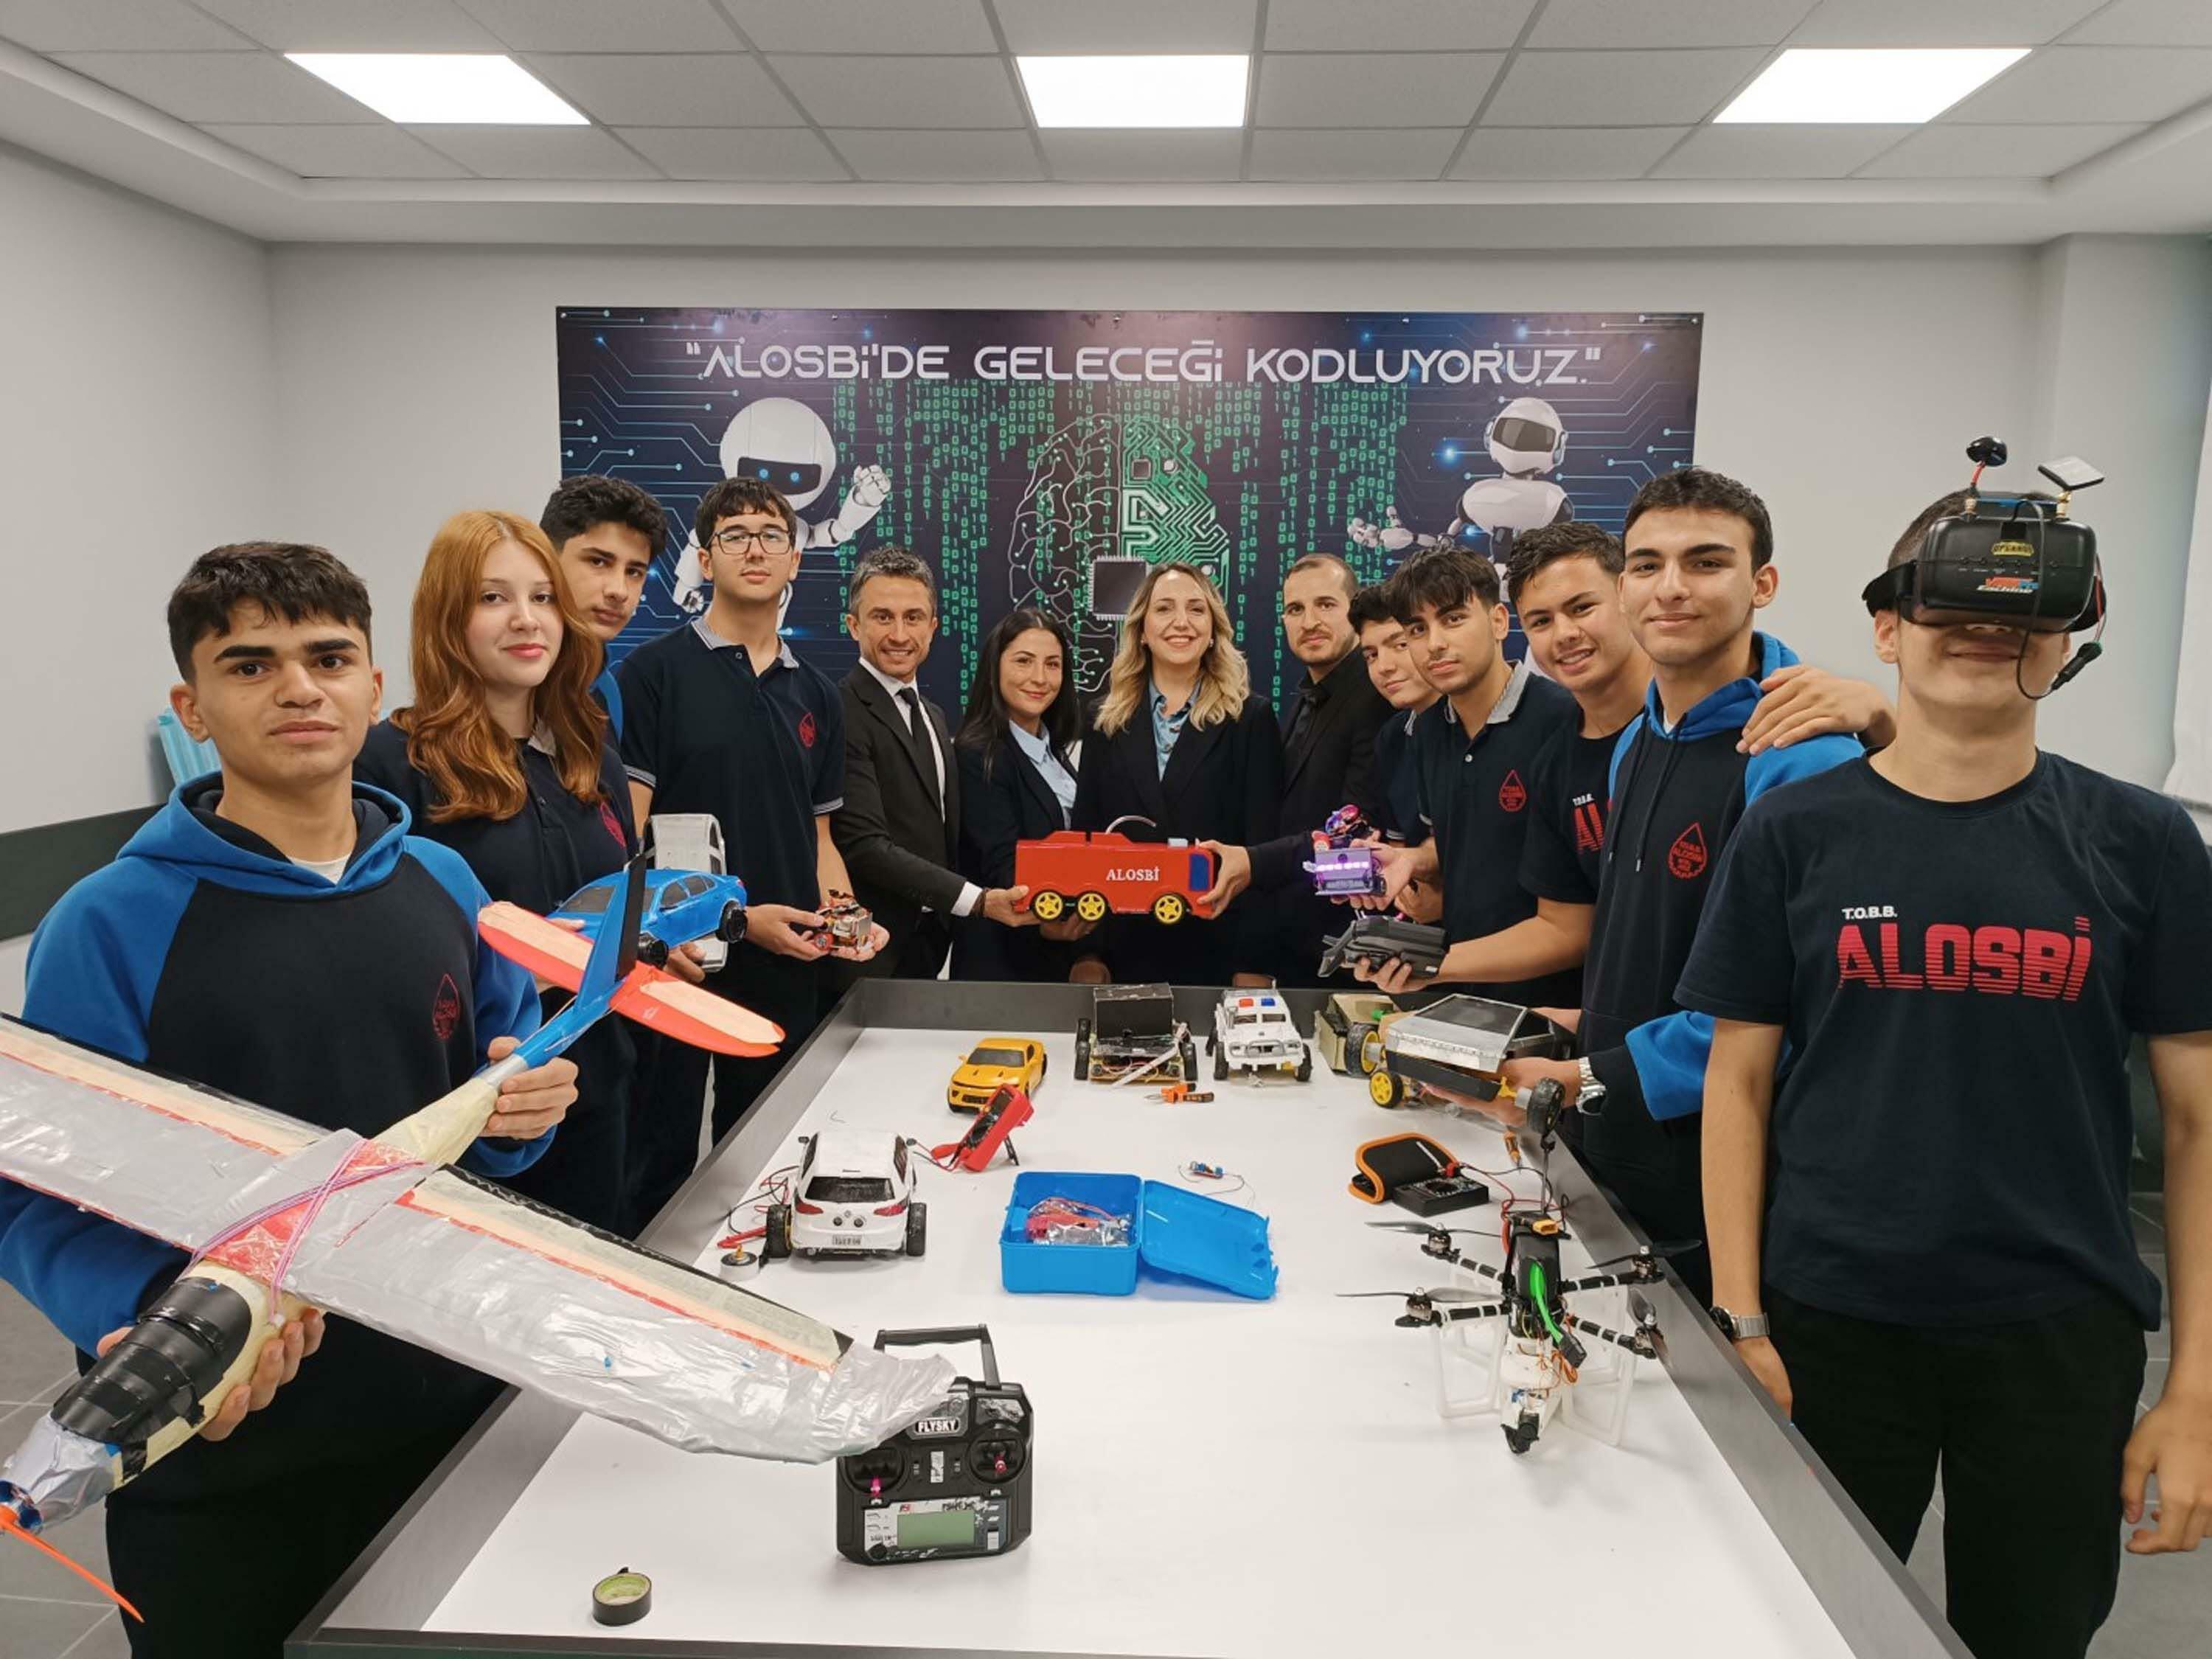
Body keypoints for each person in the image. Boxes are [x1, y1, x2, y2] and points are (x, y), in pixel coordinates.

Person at [0, 543, 577, 1659]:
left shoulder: (445, 883)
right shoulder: (109, 922)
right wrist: (145, 1307)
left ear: (374, 686)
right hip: (225, 1450)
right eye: (251, 665)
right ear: (194, 707)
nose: (300, 688)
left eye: (328, 658)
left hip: (438, 1409)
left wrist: (526, 1115)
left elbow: (494, 1103)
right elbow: (31, 1192)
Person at [1683, 489, 2212, 1659]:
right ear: (1886, 628)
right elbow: (1739, 1085)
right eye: (1951, 604)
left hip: (2057, 1332)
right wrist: (1742, 1316)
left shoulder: (2144, 842)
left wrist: (2198, 1391)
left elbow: (2197, 1123)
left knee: (2032, 1636)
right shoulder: (1794, 833)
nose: (1984, 629)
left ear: (2067, 639)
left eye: (2020, 613)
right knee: (1804, 1624)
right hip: (1828, 1324)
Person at [1486, 474, 1868, 1300]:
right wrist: (1587, 1035)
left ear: (1762, 583)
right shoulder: (1637, 744)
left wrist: (1591, 1075)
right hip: (1618, 1137)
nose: (1670, 588)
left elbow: (1793, 1014)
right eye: (1647, 564)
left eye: (1705, 562)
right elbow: (1654, 940)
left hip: (1727, 1174)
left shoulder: (1802, 757)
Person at [355, 509, 637, 1233]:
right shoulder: (391, 763)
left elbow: (619, 899)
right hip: (471, 1111)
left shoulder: (591, 757)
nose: (526, 619)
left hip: (596, 1085)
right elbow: (380, 955)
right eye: (493, 598)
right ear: (448, 617)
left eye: (543, 597)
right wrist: (528, 973)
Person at [614, 479, 880, 1231]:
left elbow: (820, 840)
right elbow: (629, 835)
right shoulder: (651, 675)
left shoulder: (818, 695)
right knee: (658, 1158)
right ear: (706, 559)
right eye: (735, 535)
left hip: (786, 960)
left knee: (767, 1159)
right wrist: (722, 919)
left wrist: (848, 920)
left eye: (771, 535)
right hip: (680, 960)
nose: (755, 549)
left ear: (796, 559)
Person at [1364, 549, 1581, 1010]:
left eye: (1453, 619)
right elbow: (1459, 842)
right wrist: (1410, 862)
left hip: (1549, 1009)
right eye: (1417, 630)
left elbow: (1578, 922)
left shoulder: (1565, 721)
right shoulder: (1427, 731)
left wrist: (1434, 966)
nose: (1435, 644)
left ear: (1499, 622)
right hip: (1460, 998)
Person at [1070, 563, 1283, 987]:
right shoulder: (1103, 720)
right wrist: (1088, 952)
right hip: (1123, 953)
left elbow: (1262, 847)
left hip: (1218, 951)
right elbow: (1087, 839)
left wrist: (1254, 962)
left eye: (1196, 609)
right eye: (1165, 608)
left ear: (1213, 631)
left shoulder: (1250, 719)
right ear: (1142, 631)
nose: (1182, 622)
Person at [832, 546, 1030, 981]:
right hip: (868, 949)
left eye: (913, 617)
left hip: (931, 944)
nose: (900, 634)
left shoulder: (935, 717)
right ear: (853, 625)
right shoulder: (840, 712)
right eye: (883, 617)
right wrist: (979, 902)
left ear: (933, 627)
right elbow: (864, 845)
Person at [1245, 552, 1391, 986]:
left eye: (1326, 604)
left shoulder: (1378, 696)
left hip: (1351, 952)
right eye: (1295, 609)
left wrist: (1251, 862)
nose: (1309, 621)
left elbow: (1358, 833)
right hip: (1299, 947)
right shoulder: (1307, 697)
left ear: (1354, 612)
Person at [952, 607, 1095, 981]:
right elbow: (1001, 864)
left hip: (1054, 955)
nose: (1040, 678)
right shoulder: (979, 754)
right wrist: (1051, 919)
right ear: (995, 667)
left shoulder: (1053, 751)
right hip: (1003, 965)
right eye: (1023, 661)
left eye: (1053, 665)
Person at [538, 473, 668, 738]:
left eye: (634, 572)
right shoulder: (496, 684)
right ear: (547, 559)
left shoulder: (607, 691)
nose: (619, 591)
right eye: (598, 562)